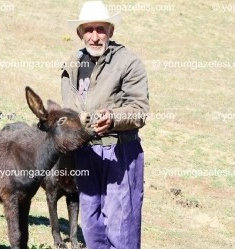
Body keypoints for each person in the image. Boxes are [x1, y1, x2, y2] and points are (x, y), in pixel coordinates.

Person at [61, 1, 149, 248]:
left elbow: (140, 111)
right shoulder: (73, 63)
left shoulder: (129, 63)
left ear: (111, 31)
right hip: (85, 153)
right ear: (80, 33)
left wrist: (113, 117)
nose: (95, 36)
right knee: (91, 224)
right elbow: (68, 108)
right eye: (88, 30)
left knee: (121, 227)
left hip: (119, 152)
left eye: (101, 29)